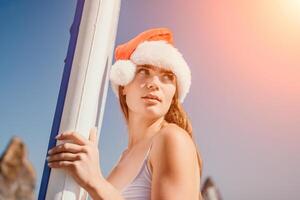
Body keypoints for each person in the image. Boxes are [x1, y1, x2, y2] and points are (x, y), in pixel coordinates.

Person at [47, 27, 203, 200]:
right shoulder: (121, 160)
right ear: (124, 86)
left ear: (174, 93)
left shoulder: (172, 138)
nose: (154, 84)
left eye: (167, 76)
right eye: (144, 71)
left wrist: (96, 183)